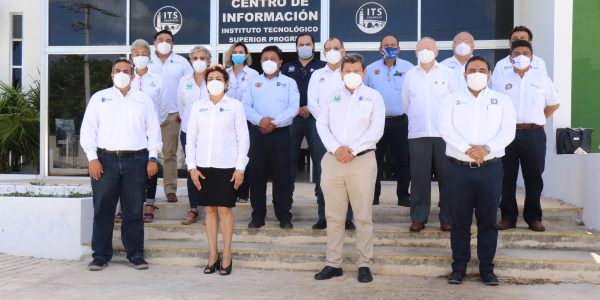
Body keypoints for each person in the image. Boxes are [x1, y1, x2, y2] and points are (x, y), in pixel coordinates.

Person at [439, 56, 516, 286]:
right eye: (472, 70)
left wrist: (487, 149)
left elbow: (508, 132)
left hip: (490, 169)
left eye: (482, 69)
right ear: (464, 75)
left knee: (488, 221)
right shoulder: (451, 99)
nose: (477, 73)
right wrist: (468, 149)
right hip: (459, 169)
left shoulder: (501, 100)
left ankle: (487, 269)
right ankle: (459, 268)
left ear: (490, 74)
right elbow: (446, 128)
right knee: (460, 221)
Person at [80, 57, 162, 271]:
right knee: (103, 210)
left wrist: (152, 157)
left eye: (126, 71)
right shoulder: (100, 98)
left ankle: (135, 254)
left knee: (134, 210)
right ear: (112, 74)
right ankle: (100, 255)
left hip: (137, 160)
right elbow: (87, 130)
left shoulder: (143, 100)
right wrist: (92, 158)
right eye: (118, 70)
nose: (122, 74)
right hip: (105, 161)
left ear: (133, 75)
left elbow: (153, 130)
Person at [314, 53, 385, 283]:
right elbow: (321, 125)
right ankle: (333, 263)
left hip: (362, 161)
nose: (352, 75)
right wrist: (337, 149)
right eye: (348, 71)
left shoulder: (374, 97)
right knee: (334, 216)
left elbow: (376, 130)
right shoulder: (333, 96)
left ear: (363, 73)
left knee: (363, 216)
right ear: (341, 73)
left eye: (356, 71)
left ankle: (364, 263)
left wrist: (351, 150)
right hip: (333, 161)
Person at [186, 65, 250, 276]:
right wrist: (191, 167)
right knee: (210, 210)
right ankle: (213, 254)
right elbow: (191, 139)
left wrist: (240, 167)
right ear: (205, 83)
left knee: (224, 209)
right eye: (210, 78)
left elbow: (243, 138)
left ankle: (228, 254)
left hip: (227, 166)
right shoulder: (198, 107)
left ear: (226, 83)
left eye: (218, 78)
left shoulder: (236, 106)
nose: (214, 81)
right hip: (203, 166)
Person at [491, 40, 561, 232]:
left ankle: (534, 217)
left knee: (534, 177)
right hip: (508, 134)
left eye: (525, 53)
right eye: (516, 53)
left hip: (534, 134)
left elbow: (554, 103)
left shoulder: (541, 78)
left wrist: (538, 119)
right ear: (510, 56)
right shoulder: (500, 79)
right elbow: (494, 105)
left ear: (532, 57)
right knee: (506, 177)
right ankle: (508, 217)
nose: (521, 56)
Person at [403, 37, 459, 232]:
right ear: (416, 52)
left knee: (447, 177)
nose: (425, 51)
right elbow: (406, 104)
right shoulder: (410, 75)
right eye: (421, 48)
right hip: (418, 134)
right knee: (419, 179)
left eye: (429, 48)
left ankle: (448, 217)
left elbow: (455, 102)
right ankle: (418, 217)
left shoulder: (448, 73)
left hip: (444, 135)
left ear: (436, 52)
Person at [243, 45, 299, 229]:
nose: (269, 62)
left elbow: (293, 108)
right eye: (265, 58)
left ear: (280, 62)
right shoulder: (252, 82)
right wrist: (261, 121)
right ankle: (258, 216)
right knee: (256, 176)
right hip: (257, 134)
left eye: (273, 58)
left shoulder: (289, 83)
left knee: (282, 176)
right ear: (260, 62)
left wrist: (273, 123)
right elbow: (246, 106)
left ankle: (284, 216)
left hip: (281, 135)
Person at [307, 37, 355, 230]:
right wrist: (327, 124)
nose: (332, 51)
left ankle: (348, 218)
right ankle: (323, 217)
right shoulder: (317, 75)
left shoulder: (351, 73)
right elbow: (312, 103)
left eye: (336, 47)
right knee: (323, 176)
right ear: (324, 52)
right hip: (323, 133)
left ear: (344, 50)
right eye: (328, 48)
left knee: (348, 175)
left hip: (348, 133)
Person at [365, 34, 414, 206]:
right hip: (377, 122)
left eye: (393, 45)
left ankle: (403, 195)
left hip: (401, 121)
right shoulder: (370, 69)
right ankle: (373, 195)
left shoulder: (409, 68)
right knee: (375, 160)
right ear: (380, 49)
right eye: (386, 45)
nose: (390, 48)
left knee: (403, 160)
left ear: (399, 49)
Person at [148, 29, 194, 203]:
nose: (164, 42)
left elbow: (189, 86)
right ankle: (142, 189)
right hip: (148, 115)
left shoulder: (181, 62)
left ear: (173, 43)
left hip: (172, 115)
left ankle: (170, 190)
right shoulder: (146, 60)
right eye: (161, 39)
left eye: (168, 40)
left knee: (169, 154)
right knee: (144, 154)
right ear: (154, 42)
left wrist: (183, 111)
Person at [281, 33, 327, 205]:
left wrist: (310, 107)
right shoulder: (287, 67)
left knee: (319, 157)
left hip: (316, 118)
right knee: (289, 158)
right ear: (296, 47)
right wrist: (297, 109)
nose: (305, 47)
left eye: (308, 44)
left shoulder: (323, 66)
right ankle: (287, 197)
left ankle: (321, 194)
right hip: (293, 118)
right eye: (301, 44)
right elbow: (283, 93)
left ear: (314, 47)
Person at [128, 39, 167, 223]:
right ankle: (127, 206)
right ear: (131, 57)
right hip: (129, 132)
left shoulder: (157, 79)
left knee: (151, 166)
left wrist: (152, 126)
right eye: (137, 54)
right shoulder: (126, 78)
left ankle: (149, 203)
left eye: (144, 54)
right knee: (129, 169)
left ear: (150, 57)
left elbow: (163, 106)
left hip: (151, 131)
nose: (140, 57)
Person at [176, 46, 210, 225]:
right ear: (191, 61)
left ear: (209, 60)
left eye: (202, 58)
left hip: (211, 133)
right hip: (188, 132)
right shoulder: (184, 81)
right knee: (192, 169)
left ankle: (213, 207)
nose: (199, 61)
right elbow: (181, 106)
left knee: (212, 168)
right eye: (195, 58)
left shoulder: (215, 78)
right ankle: (194, 208)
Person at [224, 42, 259, 204]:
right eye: (235, 52)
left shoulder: (254, 75)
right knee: (229, 155)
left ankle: (244, 192)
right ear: (230, 55)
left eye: (241, 52)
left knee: (245, 155)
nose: (238, 54)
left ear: (246, 55)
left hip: (247, 120)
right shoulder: (224, 73)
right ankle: (230, 191)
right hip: (226, 120)